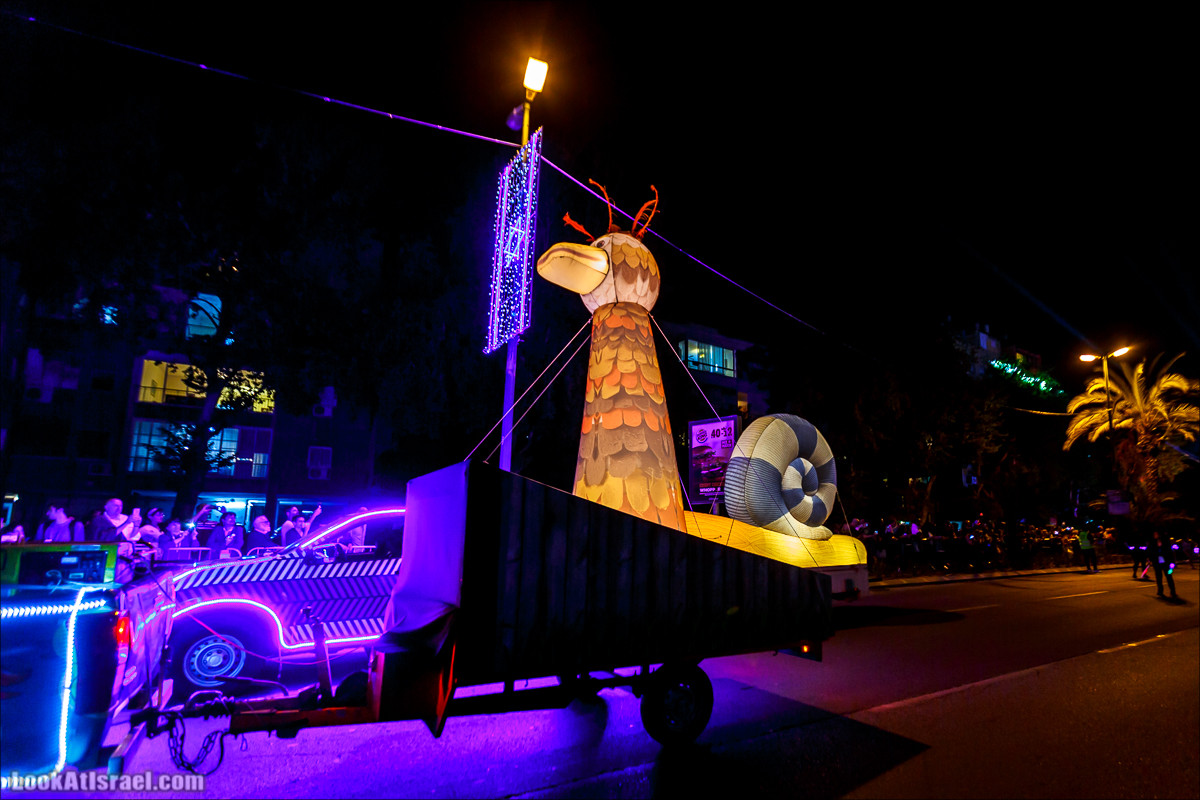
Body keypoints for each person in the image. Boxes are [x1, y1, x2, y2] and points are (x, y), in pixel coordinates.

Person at [1148, 529, 1178, 600]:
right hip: (1157, 563)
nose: (1155, 535)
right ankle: (1160, 591)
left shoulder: (1165, 542)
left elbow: (1170, 552)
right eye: (1154, 534)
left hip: (1166, 562)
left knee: (1169, 576)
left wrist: (1172, 563)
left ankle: (1173, 591)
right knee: (1158, 577)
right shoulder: (1152, 543)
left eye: (1156, 534)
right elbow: (1150, 551)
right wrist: (1150, 559)